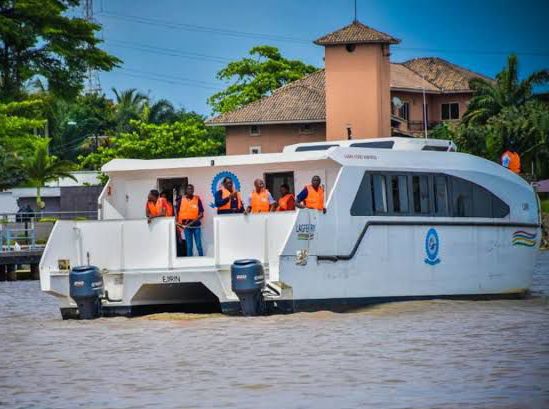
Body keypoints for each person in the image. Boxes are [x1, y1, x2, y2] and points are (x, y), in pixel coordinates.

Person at [177, 184, 204, 257]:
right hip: (187, 227)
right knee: (189, 246)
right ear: (186, 190)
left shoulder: (197, 199)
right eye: (189, 189)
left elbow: (201, 214)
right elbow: (177, 212)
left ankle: (202, 260)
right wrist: (179, 224)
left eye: (192, 189)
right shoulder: (181, 200)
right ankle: (189, 261)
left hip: (196, 227)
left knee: (199, 245)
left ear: (193, 190)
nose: (190, 190)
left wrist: (192, 222)